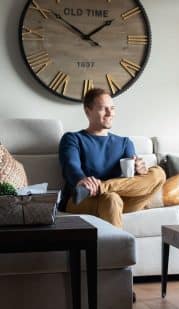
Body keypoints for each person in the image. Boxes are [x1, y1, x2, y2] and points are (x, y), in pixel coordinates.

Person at [59, 88, 166, 228]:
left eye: (112, 108)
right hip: (82, 199)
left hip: (122, 199)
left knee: (159, 173)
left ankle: (102, 187)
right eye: (104, 108)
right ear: (87, 111)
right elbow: (70, 167)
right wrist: (81, 180)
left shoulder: (124, 142)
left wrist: (140, 170)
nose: (110, 113)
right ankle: (117, 249)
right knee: (111, 198)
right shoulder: (73, 139)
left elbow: (132, 179)